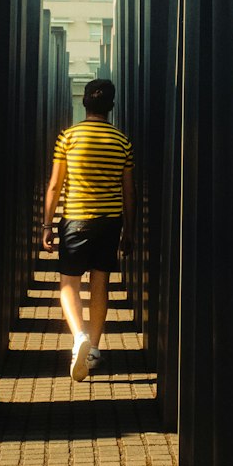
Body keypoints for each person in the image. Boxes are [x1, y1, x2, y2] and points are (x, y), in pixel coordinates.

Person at [41, 78, 137, 382]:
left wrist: (46, 224)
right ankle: (94, 349)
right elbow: (129, 191)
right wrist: (130, 231)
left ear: (85, 102)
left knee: (69, 283)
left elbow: (55, 184)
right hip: (110, 222)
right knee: (100, 282)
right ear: (111, 105)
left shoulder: (68, 137)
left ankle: (78, 335)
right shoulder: (121, 141)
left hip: (75, 219)